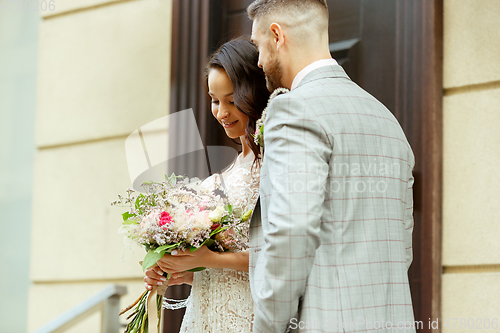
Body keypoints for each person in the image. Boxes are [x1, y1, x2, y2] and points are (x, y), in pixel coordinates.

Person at [247, 0, 416, 332]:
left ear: (277, 36)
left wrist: (268, 327)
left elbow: (291, 232)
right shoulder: (386, 119)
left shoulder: (293, 110)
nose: (259, 61)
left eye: (258, 47)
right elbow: (401, 245)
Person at [143, 38, 270, 332]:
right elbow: (218, 268)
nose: (222, 113)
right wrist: (179, 270)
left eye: (232, 100)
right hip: (205, 318)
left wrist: (209, 258)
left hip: (249, 319)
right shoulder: (221, 178)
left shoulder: (275, 167)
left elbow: (281, 256)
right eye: (215, 100)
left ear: (254, 93)